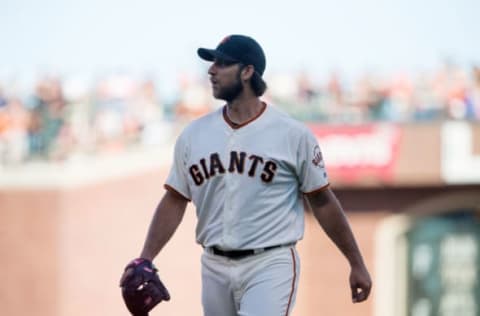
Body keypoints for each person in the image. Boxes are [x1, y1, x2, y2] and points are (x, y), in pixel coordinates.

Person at [121, 34, 372, 316]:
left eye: (222, 63)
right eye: (211, 63)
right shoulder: (194, 134)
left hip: (270, 261)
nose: (211, 70)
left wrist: (356, 263)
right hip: (213, 265)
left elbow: (323, 201)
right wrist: (146, 257)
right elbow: (175, 200)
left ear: (247, 71)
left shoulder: (292, 134)